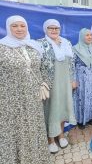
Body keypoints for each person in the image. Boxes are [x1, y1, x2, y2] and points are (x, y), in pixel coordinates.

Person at [0, 15, 50, 163]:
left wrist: (45, 84)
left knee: (33, 128)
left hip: (33, 99)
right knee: (15, 131)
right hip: (10, 100)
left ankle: (34, 158)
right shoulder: (2, 48)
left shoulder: (33, 46)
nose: (19, 29)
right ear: (9, 28)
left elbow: (43, 68)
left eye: (22, 26)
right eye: (15, 26)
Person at [39, 19, 77, 153]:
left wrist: (73, 79)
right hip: (50, 84)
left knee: (62, 108)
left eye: (56, 28)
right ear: (45, 29)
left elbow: (72, 63)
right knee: (52, 110)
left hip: (65, 82)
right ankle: (50, 139)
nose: (54, 30)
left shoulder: (66, 43)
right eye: (51, 28)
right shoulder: (41, 44)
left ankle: (61, 135)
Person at [73, 28, 92, 129]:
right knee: (83, 97)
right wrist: (73, 79)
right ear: (82, 36)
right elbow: (71, 65)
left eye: (91, 35)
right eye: (87, 35)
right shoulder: (76, 49)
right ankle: (81, 120)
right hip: (82, 79)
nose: (90, 37)